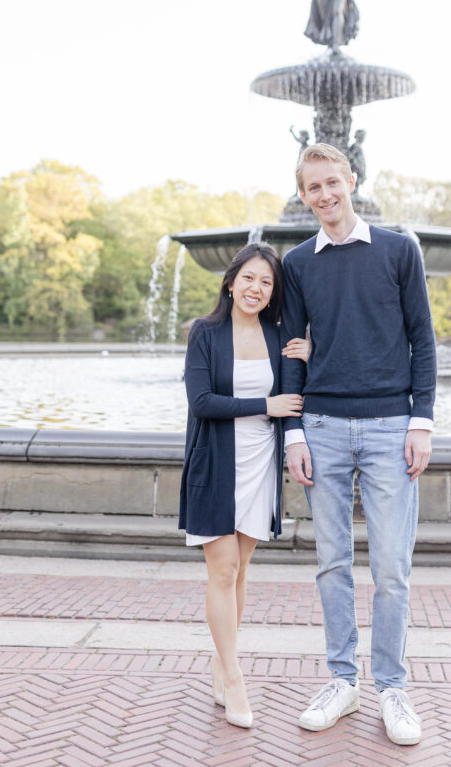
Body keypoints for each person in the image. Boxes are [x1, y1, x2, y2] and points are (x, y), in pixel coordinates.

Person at [280, 143, 436, 746]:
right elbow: (293, 349)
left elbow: (422, 339)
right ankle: (342, 681)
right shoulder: (297, 264)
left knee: (392, 568)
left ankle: (392, 688)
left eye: (332, 183)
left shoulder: (399, 251)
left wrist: (420, 422)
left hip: (388, 428)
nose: (325, 195)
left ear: (352, 181)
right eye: (312, 187)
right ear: (303, 196)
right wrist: (294, 432)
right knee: (331, 564)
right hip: (320, 427)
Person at [179, 242, 309, 729]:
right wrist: (265, 406)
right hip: (215, 460)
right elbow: (202, 402)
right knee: (223, 568)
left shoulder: (279, 336)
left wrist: (313, 353)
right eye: (249, 278)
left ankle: (220, 660)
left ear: (273, 292)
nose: (256, 288)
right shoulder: (205, 333)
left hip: (261, 462)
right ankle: (233, 676)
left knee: (241, 568)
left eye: (267, 282)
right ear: (231, 282)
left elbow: (306, 386)